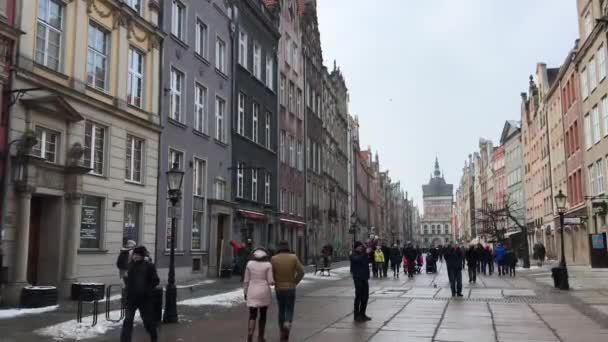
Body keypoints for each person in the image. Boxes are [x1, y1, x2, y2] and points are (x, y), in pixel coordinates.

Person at [120, 246, 160, 342]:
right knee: (128, 321)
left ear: (142, 256)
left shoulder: (149, 266)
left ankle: (154, 336)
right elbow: (125, 277)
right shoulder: (130, 265)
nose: (135, 257)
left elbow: (155, 280)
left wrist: (147, 290)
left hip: (144, 299)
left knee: (148, 321)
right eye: (134, 255)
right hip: (131, 298)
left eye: (138, 255)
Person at [271, 241, 304, 342]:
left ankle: (282, 330)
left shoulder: (274, 259)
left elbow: (271, 273)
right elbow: (301, 271)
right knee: (289, 308)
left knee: (281, 309)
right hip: (290, 288)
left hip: (279, 288)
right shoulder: (293, 258)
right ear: (288, 248)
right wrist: (295, 282)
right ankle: (287, 323)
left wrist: (275, 281)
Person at [244, 248, 274, 342]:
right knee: (263, 315)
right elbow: (270, 281)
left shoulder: (249, 264)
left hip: (252, 291)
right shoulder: (268, 265)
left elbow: (246, 280)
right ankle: (260, 337)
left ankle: (250, 336)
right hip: (264, 291)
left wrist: (245, 292)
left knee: (252, 315)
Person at [350, 241, 371, 322]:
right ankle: (356, 315)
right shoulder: (353, 254)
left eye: (361, 246)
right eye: (359, 246)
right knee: (358, 296)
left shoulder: (363, 254)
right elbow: (357, 260)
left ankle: (363, 314)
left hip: (364, 277)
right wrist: (365, 253)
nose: (361, 248)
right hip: (357, 277)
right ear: (356, 247)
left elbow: (367, 261)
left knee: (365, 297)